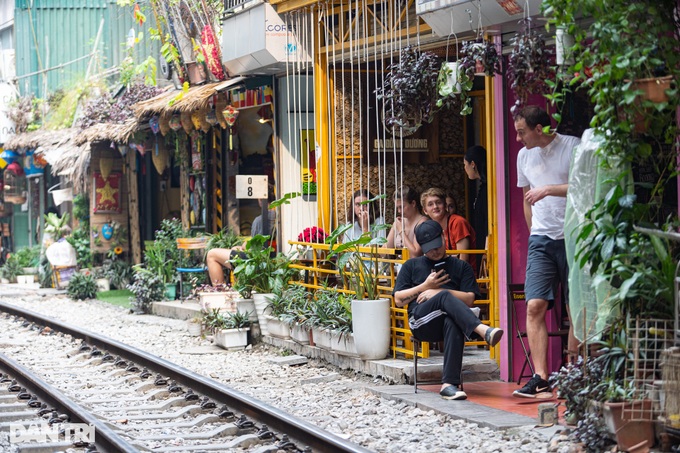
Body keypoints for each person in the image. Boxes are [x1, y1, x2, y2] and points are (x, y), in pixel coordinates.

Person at [393, 219, 503, 400]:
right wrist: (425, 287)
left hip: (449, 321)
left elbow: (470, 299)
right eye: (429, 248)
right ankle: (483, 330)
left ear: (443, 237)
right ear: (421, 246)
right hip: (421, 321)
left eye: (437, 245)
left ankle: (449, 385)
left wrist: (438, 291)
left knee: (451, 319)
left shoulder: (461, 266)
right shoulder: (411, 266)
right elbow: (398, 300)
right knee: (443, 297)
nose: (434, 251)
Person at [513, 106, 581, 398]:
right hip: (540, 239)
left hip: (573, 236)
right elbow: (526, 199)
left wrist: (549, 189)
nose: (517, 138)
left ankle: (576, 371)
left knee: (575, 307)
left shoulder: (572, 147)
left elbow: (583, 187)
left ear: (539, 129)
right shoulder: (523, 156)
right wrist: (533, 232)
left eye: (521, 131)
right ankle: (541, 376)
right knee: (534, 305)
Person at [421, 187, 476, 268]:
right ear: (425, 211)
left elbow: (463, 261)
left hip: (465, 276)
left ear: (445, 205)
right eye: (430, 204)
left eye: (438, 202)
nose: (435, 206)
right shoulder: (431, 228)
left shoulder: (458, 222)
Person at [385, 186, 428, 258]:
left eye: (401, 207)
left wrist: (401, 231)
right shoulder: (399, 222)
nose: (399, 211)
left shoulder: (423, 222)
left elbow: (415, 253)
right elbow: (384, 252)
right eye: (397, 208)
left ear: (413, 203)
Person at [464, 145, 488, 252]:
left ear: (472, 164)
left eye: (465, 165)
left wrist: (486, 249)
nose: (465, 169)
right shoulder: (483, 188)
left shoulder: (487, 190)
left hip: (486, 247)